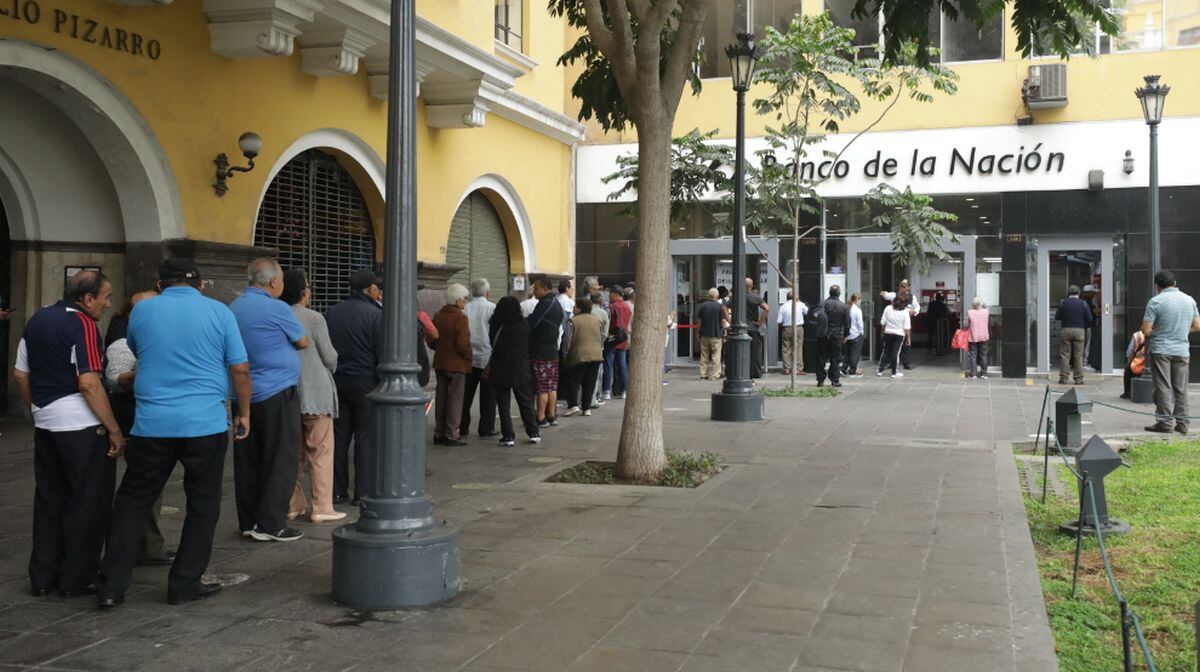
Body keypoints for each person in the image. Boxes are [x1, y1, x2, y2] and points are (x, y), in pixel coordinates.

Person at [95, 259, 251, 608]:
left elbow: (137, 350)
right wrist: (244, 411)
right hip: (205, 423)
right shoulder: (220, 312)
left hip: (153, 423)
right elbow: (239, 368)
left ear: (161, 285)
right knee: (203, 504)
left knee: (132, 501)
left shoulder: (142, 312)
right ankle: (184, 583)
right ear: (199, 285)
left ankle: (111, 587)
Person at [13, 270, 122, 599]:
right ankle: (77, 577)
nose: (107, 304)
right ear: (87, 299)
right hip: (81, 425)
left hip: (46, 421)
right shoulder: (84, 325)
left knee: (50, 500)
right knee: (88, 503)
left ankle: (44, 575)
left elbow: (20, 375)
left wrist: (38, 408)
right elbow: (89, 383)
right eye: (105, 297)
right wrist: (115, 430)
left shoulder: (38, 318)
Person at [229, 258, 309, 543]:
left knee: (248, 458)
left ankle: (248, 520)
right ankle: (271, 523)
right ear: (274, 281)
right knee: (281, 458)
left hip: (243, 394)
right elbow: (302, 342)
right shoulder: (277, 308)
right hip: (277, 393)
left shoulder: (234, 307)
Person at [104, 290, 175, 567]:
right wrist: (150, 369)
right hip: (136, 425)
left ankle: (147, 547)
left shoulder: (150, 337)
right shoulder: (122, 343)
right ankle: (142, 550)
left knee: (148, 489)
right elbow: (114, 381)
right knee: (142, 490)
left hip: (151, 423)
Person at [281, 269, 345, 524]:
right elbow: (329, 357)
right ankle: (322, 507)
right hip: (316, 392)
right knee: (321, 451)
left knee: (292, 453)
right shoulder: (315, 317)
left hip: (287, 390)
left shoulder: (278, 314)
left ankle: (292, 504)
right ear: (305, 292)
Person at [326, 269, 383, 505]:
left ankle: (338, 491)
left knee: (339, 438)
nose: (379, 291)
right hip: (366, 382)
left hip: (338, 381)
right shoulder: (375, 314)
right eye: (377, 287)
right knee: (365, 438)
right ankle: (362, 492)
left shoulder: (332, 312)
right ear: (369, 289)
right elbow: (381, 352)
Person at [1141, 270, 1200, 435]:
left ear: (1157, 286)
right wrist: (1180, 332)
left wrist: (1162, 332)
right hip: (1182, 350)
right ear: (1174, 283)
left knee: (1163, 387)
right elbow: (1197, 326)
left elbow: (1146, 330)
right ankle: (1183, 424)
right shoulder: (1189, 300)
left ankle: (1165, 423)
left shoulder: (1156, 301)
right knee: (1181, 388)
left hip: (1161, 350)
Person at [488, 296, 540, 446]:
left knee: (503, 404)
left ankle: (508, 436)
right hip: (521, 367)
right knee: (525, 402)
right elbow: (529, 344)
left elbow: (492, 343)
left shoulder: (496, 325)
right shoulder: (524, 324)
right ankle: (533, 432)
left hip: (501, 367)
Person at [432, 283, 473, 445]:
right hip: (457, 364)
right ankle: (451, 433)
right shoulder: (460, 318)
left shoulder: (438, 315)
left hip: (440, 361)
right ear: (457, 301)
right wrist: (469, 356)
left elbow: (432, 337)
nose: (465, 303)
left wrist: (439, 348)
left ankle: (439, 432)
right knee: (455, 399)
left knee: (441, 397)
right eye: (464, 300)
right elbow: (463, 344)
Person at [460, 279, 497, 439]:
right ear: (488, 293)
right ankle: (486, 428)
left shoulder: (464, 309)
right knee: (488, 395)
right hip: (487, 357)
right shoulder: (492, 308)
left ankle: (462, 426)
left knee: (465, 395)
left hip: (468, 357)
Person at [528, 278, 566, 423]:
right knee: (551, 386)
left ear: (544, 288)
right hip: (552, 350)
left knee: (542, 387)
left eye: (536, 288)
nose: (534, 291)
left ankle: (541, 417)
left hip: (541, 351)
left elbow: (532, 323)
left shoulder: (544, 303)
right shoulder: (556, 303)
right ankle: (551, 415)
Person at [563, 297, 604, 417]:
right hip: (596, 354)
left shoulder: (573, 321)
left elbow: (567, 340)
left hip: (578, 355)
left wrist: (565, 356)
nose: (573, 308)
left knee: (573, 381)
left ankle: (573, 405)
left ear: (579, 308)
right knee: (590, 382)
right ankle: (586, 408)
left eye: (575, 306)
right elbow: (600, 337)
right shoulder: (596, 320)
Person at [1054, 285, 1091, 385]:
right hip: (1079, 330)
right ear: (1078, 293)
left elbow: (1057, 317)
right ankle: (1078, 379)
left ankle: (1064, 378)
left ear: (1068, 293)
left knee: (1065, 355)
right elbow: (1089, 319)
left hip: (1065, 329)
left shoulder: (1063, 303)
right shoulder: (1083, 304)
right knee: (1078, 356)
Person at [881, 280, 920, 369]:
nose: (904, 288)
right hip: (895, 323)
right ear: (900, 287)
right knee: (893, 345)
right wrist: (883, 293)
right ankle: (892, 363)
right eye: (902, 286)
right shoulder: (894, 295)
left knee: (907, 343)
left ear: (909, 287)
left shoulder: (912, 297)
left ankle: (906, 363)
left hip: (905, 321)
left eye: (906, 286)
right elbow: (885, 294)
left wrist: (914, 312)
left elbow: (917, 307)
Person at [603, 285, 631, 400]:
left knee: (608, 365)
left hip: (612, 338)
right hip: (623, 338)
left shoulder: (611, 306)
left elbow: (608, 321)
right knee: (622, 365)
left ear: (615, 294)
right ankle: (624, 390)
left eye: (611, 294)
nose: (609, 296)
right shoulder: (627, 307)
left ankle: (607, 391)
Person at [818, 286, 848, 388]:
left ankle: (820, 380)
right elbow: (847, 323)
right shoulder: (843, 306)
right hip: (836, 334)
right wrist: (845, 335)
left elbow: (816, 317)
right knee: (835, 358)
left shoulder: (823, 304)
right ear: (839, 293)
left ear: (830, 292)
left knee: (821, 357)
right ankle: (835, 380)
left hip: (823, 334)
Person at [877, 295, 912, 378]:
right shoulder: (905, 311)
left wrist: (882, 331)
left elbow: (883, 322)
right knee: (895, 353)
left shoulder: (888, 308)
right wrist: (908, 338)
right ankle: (894, 372)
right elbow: (907, 327)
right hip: (899, 334)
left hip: (888, 333)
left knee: (886, 351)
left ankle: (880, 370)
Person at [697, 288, 726, 380]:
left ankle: (703, 374)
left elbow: (700, 322)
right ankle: (715, 375)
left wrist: (698, 332)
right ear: (717, 296)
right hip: (716, 334)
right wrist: (725, 330)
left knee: (704, 355)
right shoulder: (720, 306)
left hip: (704, 334)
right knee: (716, 355)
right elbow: (723, 321)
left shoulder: (703, 306)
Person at [777, 292, 806, 375]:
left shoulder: (783, 306)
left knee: (786, 348)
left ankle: (786, 368)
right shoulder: (800, 304)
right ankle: (797, 368)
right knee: (798, 348)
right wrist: (799, 301)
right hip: (798, 328)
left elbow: (779, 321)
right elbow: (807, 312)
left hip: (787, 328)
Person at [745, 277, 768, 378]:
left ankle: (742, 371)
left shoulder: (737, 297)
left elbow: (724, 307)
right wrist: (760, 322)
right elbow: (767, 309)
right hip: (753, 328)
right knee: (755, 352)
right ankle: (756, 372)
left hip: (740, 328)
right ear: (751, 286)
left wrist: (729, 320)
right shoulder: (755, 297)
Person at [589, 292, 610, 406]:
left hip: (582, 345)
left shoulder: (585, 311)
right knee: (597, 373)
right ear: (601, 301)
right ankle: (594, 397)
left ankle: (582, 399)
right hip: (597, 346)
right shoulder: (603, 313)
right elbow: (605, 333)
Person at [965, 297, 990, 380]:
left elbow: (965, 325)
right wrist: (983, 303)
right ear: (979, 304)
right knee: (983, 354)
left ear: (973, 305)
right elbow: (986, 306)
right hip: (984, 336)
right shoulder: (985, 312)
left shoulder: (969, 312)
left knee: (973, 355)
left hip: (973, 336)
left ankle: (973, 374)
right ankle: (984, 374)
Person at [802, 298, 826, 377]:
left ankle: (809, 368)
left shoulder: (811, 310)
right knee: (821, 354)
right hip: (821, 336)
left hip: (810, 336)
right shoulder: (824, 311)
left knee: (811, 353)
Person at [1121, 329, 1147, 400]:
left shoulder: (1138, 335)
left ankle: (1127, 392)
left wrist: (1130, 360)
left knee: (1127, 369)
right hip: (1155, 365)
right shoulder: (1160, 334)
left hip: (1138, 365)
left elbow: (1129, 353)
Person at [843, 293, 864, 377]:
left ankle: (843, 369)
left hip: (848, 334)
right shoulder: (857, 310)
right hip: (856, 334)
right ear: (857, 300)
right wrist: (861, 332)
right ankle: (852, 371)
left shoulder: (847, 308)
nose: (860, 302)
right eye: (859, 300)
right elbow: (859, 323)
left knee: (848, 353)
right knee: (855, 353)